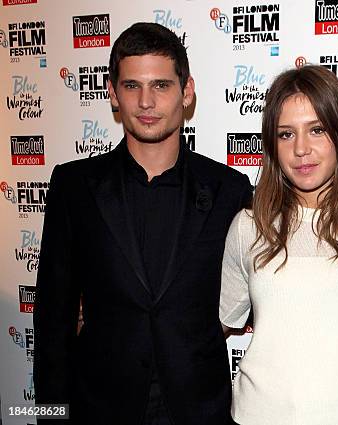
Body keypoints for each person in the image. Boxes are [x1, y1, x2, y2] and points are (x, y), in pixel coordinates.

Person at [33, 22, 251, 425]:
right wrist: (50, 415)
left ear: (186, 92)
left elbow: (267, 291)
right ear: (113, 93)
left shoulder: (229, 190)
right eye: (132, 86)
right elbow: (52, 320)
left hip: (198, 409)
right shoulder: (75, 186)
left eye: (162, 85)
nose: (146, 102)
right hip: (99, 407)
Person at [219, 65, 338, 425]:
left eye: (317, 130)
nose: (301, 149)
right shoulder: (250, 226)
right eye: (286, 134)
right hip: (254, 416)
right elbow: (219, 320)